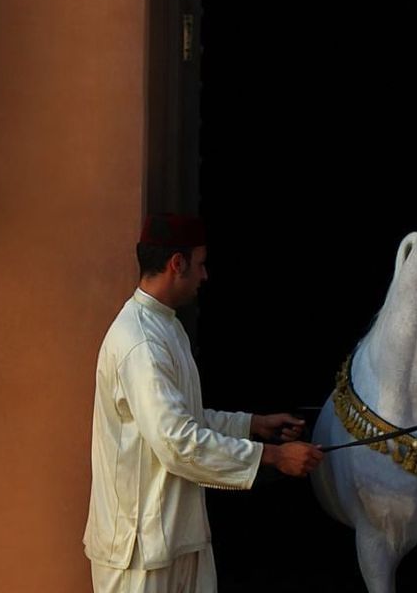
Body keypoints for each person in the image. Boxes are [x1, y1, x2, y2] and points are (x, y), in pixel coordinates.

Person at [84, 213, 323, 592]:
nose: (205, 275)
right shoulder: (141, 342)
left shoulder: (167, 328)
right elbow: (177, 442)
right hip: (140, 552)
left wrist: (252, 424)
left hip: (178, 539)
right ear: (176, 264)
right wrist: (274, 456)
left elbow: (185, 420)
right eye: (200, 264)